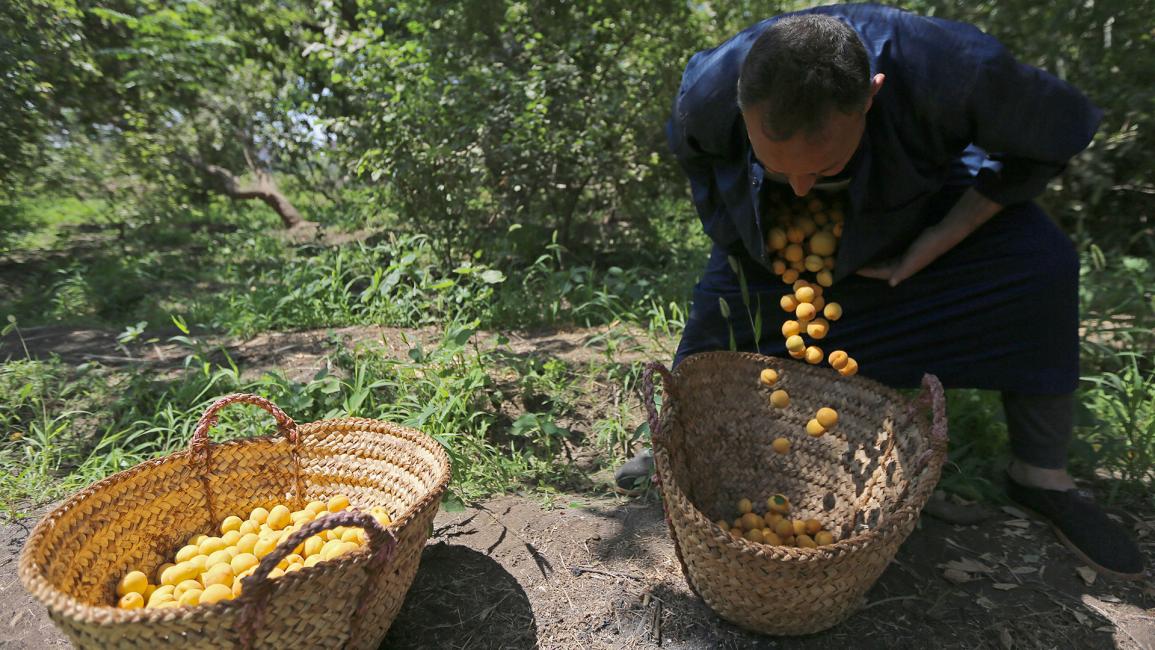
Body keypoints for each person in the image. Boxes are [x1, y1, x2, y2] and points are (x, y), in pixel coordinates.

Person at [615, 4, 1144, 578]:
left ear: (872, 95)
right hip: (770, 236)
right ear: (742, 106)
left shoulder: (951, 70)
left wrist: (939, 239)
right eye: (780, 167)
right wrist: (759, 244)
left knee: (1042, 263)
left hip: (917, 206)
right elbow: (702, 173)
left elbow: (1046, 137)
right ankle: (682, 451)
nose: (801, 187)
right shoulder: (710, 88)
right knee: (724, 311)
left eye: (824, 166)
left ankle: (1040, 475)